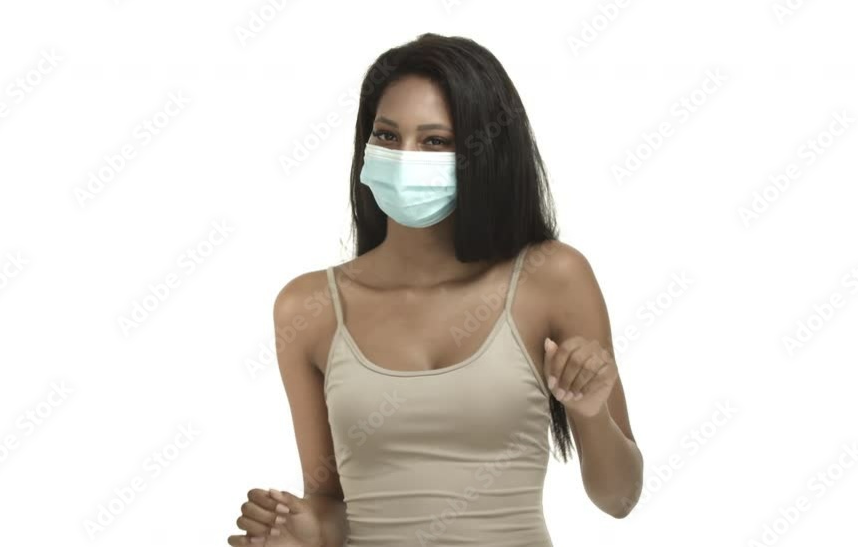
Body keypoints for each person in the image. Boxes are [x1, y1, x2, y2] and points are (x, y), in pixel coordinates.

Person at [229, 32, 643, 547]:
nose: (404, 157)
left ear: (484, 154)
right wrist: (303, 530)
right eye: (385, 135)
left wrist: (590, 411)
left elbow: (619, 498)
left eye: (435, 141)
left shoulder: (552, 278)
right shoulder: (308, 308)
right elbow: (332, 506)